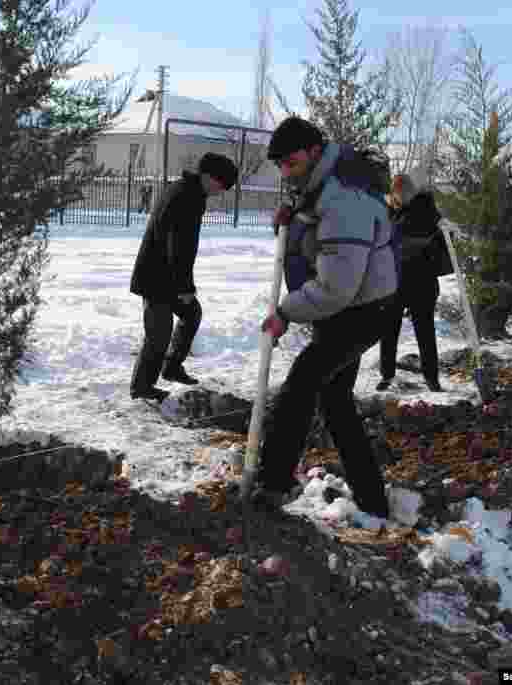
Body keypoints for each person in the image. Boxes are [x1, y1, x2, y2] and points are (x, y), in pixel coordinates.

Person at [256, 116, 397, 519]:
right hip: (351, 308)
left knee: (301, 384)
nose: (286, 171)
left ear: (315, 151)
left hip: (360, 311)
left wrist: (286, 312)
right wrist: (292, 218)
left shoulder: (344, 197)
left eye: (292, 162)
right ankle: (373, 500)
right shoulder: (320, 183)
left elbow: (336, 287)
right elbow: (316, 232)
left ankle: (273, 483)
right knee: (334, 400)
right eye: (280, 165)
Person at [128, 152, 238, 401]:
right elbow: (179, 245)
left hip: (167, 274)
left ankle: (172, 366)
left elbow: (180, 246)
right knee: (159, 333)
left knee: (191, 314)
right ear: (209, 176)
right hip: (156, 276)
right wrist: (184, 287)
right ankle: (141, 387)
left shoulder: (188, 191)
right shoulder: (186, 197)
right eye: (222, 184)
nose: (222, 191)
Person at [376, 174, 446, 393]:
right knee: (390, 331)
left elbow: (405, 237)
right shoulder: (394, 212)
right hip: (396, 282)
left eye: (397, 194)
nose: (395, 198)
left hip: (419, 282)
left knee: (423, 332)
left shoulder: (424, 211)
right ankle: (388, 374)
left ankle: (431, 378)